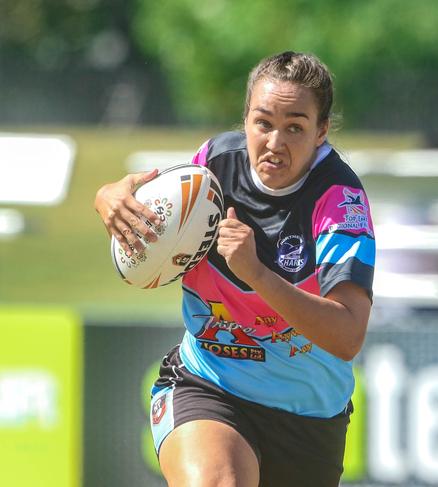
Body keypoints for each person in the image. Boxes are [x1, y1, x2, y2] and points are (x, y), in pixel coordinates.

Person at [94, 51, 375, 487]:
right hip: (208, 385)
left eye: (295, 127)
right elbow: (147, 212)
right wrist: (109, 198)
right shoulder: (213, 163)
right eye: (263, 123)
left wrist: (258, 275)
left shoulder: (340, 201)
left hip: (309, 421)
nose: (275, 143)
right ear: (245, 119)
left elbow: (347, 336)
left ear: (321, 132)